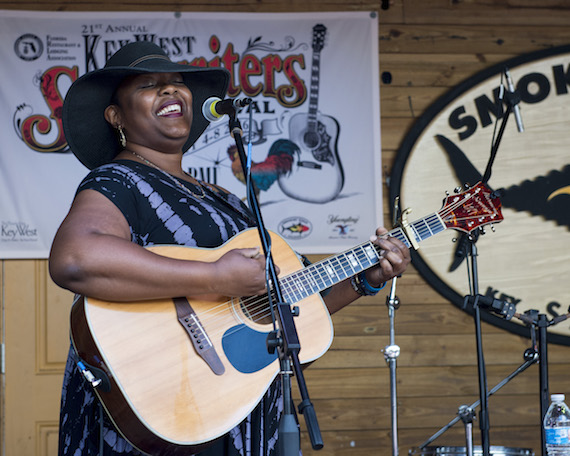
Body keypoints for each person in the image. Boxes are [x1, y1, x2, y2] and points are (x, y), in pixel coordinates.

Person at [49, 41, 411, 456]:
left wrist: (366, 278)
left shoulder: (226, 200)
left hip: (234, 407)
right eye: (150, 85)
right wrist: (216, 276)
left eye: (177, 84)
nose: (171, 91)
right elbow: (76, 259)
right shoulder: (119, 180)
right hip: (160, 399)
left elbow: (285, 305)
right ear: (116, 116)